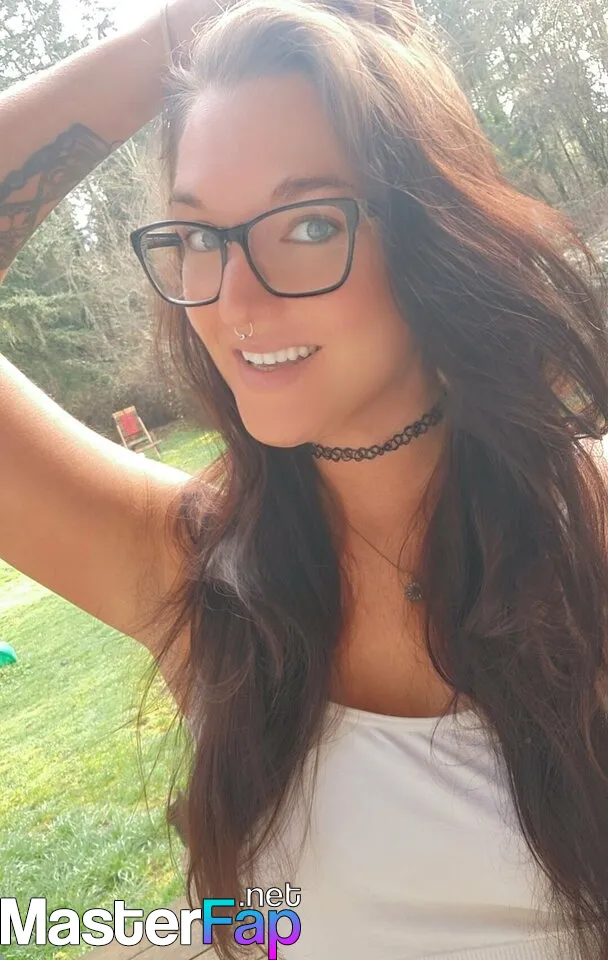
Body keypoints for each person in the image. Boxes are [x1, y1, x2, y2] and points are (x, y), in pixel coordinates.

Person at [1, 0, 608, 957]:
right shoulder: (194, 575)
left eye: (310, 223)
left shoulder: (589, 533)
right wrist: (173, 37)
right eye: (199, 235)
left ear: (431, 233)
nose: (235, 299)